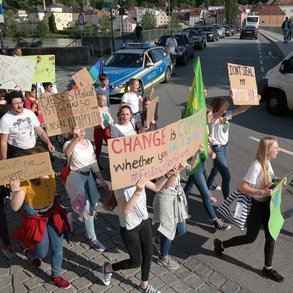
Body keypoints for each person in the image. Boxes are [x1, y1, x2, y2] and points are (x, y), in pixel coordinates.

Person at [214, 137, 285, 283]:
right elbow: (242, 187)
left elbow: (267, 181)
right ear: (267, 150)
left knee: (271, 236)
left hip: (267, 206)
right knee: (250, 238)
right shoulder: (256, 166)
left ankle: (268, 268)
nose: (278, 150)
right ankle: (221, 244)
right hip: (257, 206)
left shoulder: (267, 163)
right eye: (276, 148)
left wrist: (276, 181)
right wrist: (262, 192)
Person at [10, 146, 71, 289]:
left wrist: (59, 205)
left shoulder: (50, 172)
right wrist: (17, 190)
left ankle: (55, 276)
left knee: (58, 248)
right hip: (35, 216)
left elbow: (53, 192)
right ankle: (30, 252)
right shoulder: (25, 180)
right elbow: (14, 207)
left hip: (52, 212)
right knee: (41, 253)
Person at [63, 126, 109, 251]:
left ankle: (70, 217)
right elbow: (67, 153)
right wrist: (75, 138)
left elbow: (93, 164)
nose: (82, 133)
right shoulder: (68, 143)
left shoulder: (88, 143)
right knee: (87, 209)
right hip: (75, 178)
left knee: (86, 207)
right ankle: (93, 238)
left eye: (83, 130)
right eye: (78, 131)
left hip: (88, 177)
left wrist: (102, 181)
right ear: (72, 132)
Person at [207, 92, 259, 199]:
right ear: (219, 107)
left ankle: (206, 190)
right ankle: (227, 200)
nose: (225, 109)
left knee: (215, 170)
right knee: (227, 176)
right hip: (217, 149)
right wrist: (229, 100)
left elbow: (241, 109)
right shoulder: (213, 118)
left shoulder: (225, 116)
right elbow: (221, 111)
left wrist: (254, 101)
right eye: (223, 105)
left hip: (225, 148)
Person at [152, 160, 190, 271]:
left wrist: (197, 152)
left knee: (181, 230)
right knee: (169, 229)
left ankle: (159, 240)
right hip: (166, 197)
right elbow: (167, 185)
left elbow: (191, 168)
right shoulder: (160, 160)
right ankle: (163, 257)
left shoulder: (177, 154)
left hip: (177, 195)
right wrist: (178, 170)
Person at [183, 144, 231, 230]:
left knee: (188, 188)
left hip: (201, 162)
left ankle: (179, 209)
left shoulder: (201, 130)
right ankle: (216, 221)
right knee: (205, 194)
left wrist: (211, 152)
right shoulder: (187, 132)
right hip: (193, 166)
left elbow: (205, 143)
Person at [0, 91, 55, 159]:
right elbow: (3, 141)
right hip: (17, 151)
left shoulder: (29, 113)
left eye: (20, 102)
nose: (19, 106)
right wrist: (4, 158)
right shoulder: (5, 119)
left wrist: (49, 143)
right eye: (16, 103)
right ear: (10, 105)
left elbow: (40, 131)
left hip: (33, 148)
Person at [93, 93, 113, 169]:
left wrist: (110, 124)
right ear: (98, 101)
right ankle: (96, 164)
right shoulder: (95, 110)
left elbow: (109, 118)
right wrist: (98, 126)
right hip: (98, 131)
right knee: (98, 148)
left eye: (105, 101)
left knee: (111, 145)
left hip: (106, 130)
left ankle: (114, 161)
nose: (105, 103)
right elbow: (93, 124)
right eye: (103, 101)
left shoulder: (106, 108)